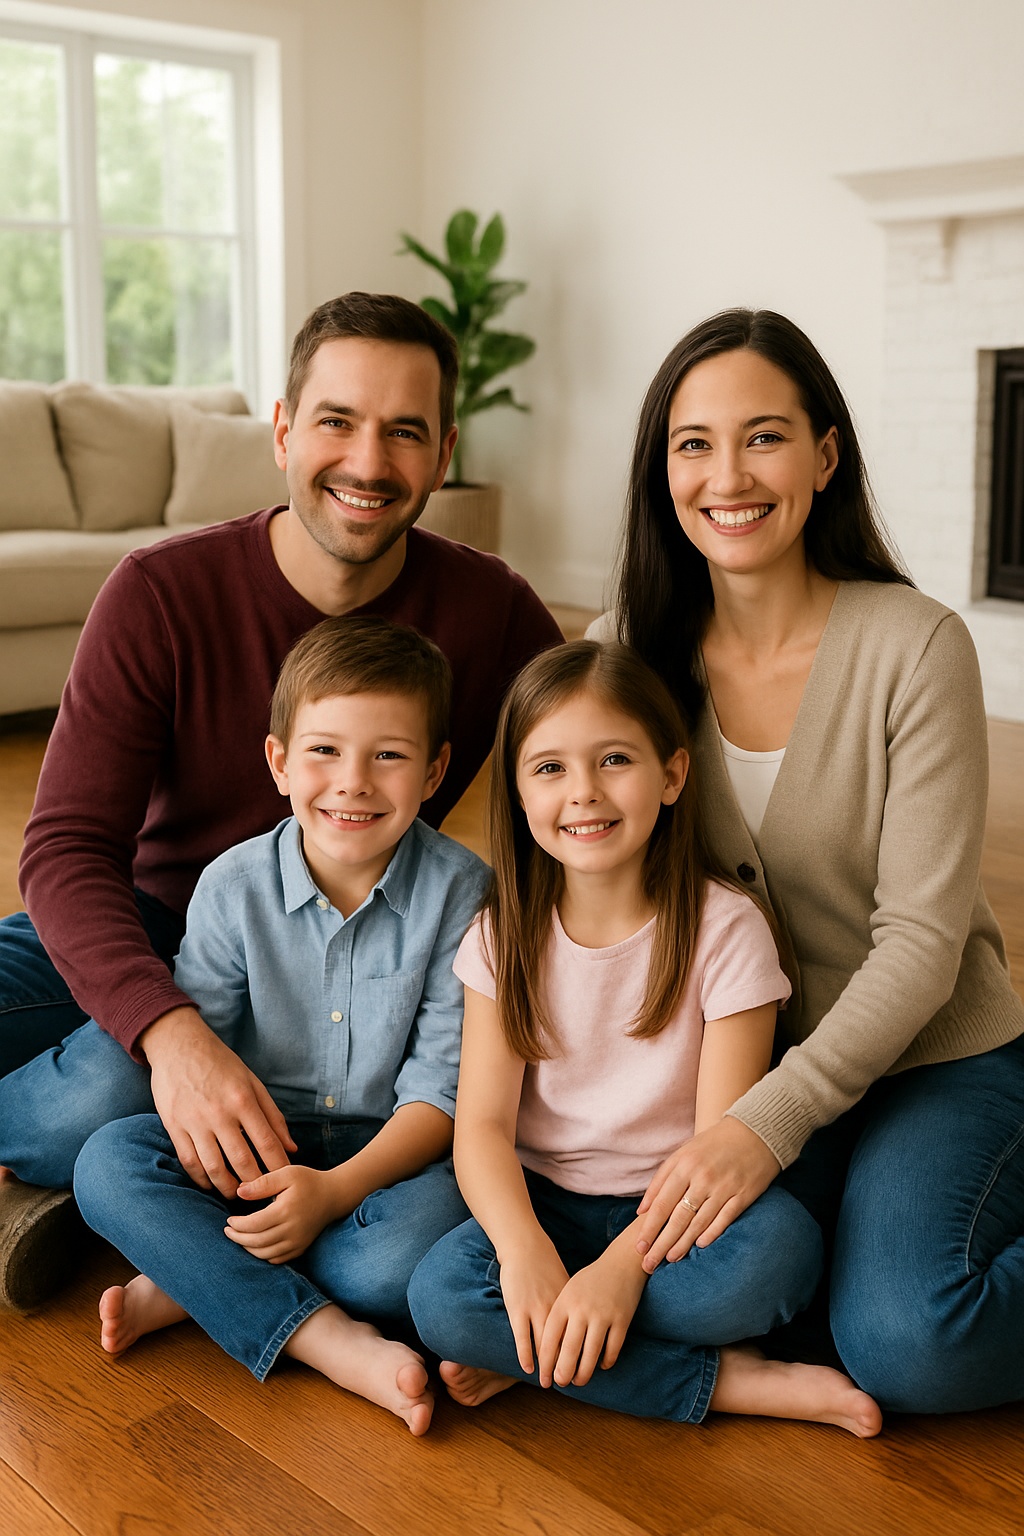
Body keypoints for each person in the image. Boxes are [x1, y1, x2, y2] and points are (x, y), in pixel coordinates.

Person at [0, 292, 561, 1310]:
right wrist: (172, 1034)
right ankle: (87, 1174)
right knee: (114, 1075)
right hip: (157, 921)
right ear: (284, 430)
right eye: (338, 421)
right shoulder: (160, 594)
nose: (367, 461)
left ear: (442, 456)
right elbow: (67, 849)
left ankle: (125, 1197)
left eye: (405, 432)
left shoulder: (495, 615)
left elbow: (584, 779)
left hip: (351, 959)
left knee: (99, 1097)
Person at [590, 308, 1024, 1415]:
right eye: (693, 443)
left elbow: (923, 947)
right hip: (733, 1068)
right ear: (661, 469)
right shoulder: (619, 655)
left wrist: (760, 1129)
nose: (726, 475)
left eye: (764, 436)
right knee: (741, 1284)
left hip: (929, 1057)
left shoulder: (915, 645)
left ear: (824, 457)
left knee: (909, 1343)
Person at [408, 640, 881, 1436]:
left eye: (614, 760)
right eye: (549, 768)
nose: (583, 793)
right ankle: (724, 1383)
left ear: (672, 774)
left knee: (780, 1259)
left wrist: (621, 1272)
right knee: (439, 1300)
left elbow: (716, 1146)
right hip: (548, 1206)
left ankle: (541, 1356)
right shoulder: (501, 935)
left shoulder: (727, 930)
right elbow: (482, 1129)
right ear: (518, 792)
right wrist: (525, 1253)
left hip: (685, 1218)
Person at [72, 615, 490, 1435]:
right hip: (251, 1146)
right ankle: (324, 1338)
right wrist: (248, 1171)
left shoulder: (463, 894)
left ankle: (201, 1279)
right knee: (107, 1162)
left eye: (390, 756)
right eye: (325, 751)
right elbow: (202, 1066)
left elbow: (443, 1094)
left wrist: (335, 1190)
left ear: (436, 769)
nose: (354, 782)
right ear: (279, 762)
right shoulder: (232, 885)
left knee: (401, 1260)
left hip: (387, 1159)